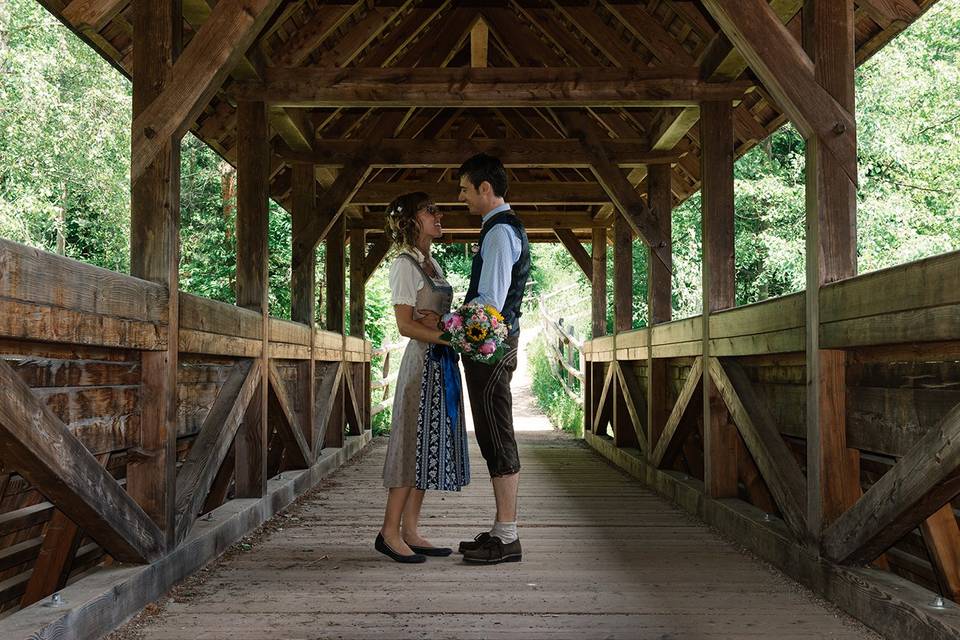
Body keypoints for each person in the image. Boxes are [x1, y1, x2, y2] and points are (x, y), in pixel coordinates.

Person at [375, 191, 470, 564]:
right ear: (412, 220)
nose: (439, 214)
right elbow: (404, 325)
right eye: (431, 210)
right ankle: (388, 532)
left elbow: (430, 316)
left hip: (441, 362)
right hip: (422, 365)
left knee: (428, 446)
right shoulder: (403, 265)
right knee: (410, 444)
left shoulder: (431, 263)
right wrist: (451, 335)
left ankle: (411, 530)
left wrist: (452, 325)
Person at [456, 153, 531, 564]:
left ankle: (507, 536)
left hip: (492, 349)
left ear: (486, 188)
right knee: (491, 431)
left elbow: (489, 304)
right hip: (493, 347)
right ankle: (501, 528)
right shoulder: (498, 229)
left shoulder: (500, 234)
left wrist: (452, 328)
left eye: (466, 189)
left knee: (497, 433)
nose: (463, 197)